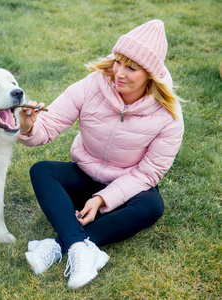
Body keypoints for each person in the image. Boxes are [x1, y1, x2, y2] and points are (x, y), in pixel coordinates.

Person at [19, 20, 184, 289]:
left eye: (131, 68)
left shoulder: (169, 117)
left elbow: (148, 173)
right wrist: (28, 127)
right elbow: (48, 128)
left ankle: (59, 245)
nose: (119, 72)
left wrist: (101, 200)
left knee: (152, 206)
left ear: (150, 76)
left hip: (126, 187)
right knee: (41, 170)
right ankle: (78, 246)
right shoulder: (92, 85)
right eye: (118, 62)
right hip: (84, 175)